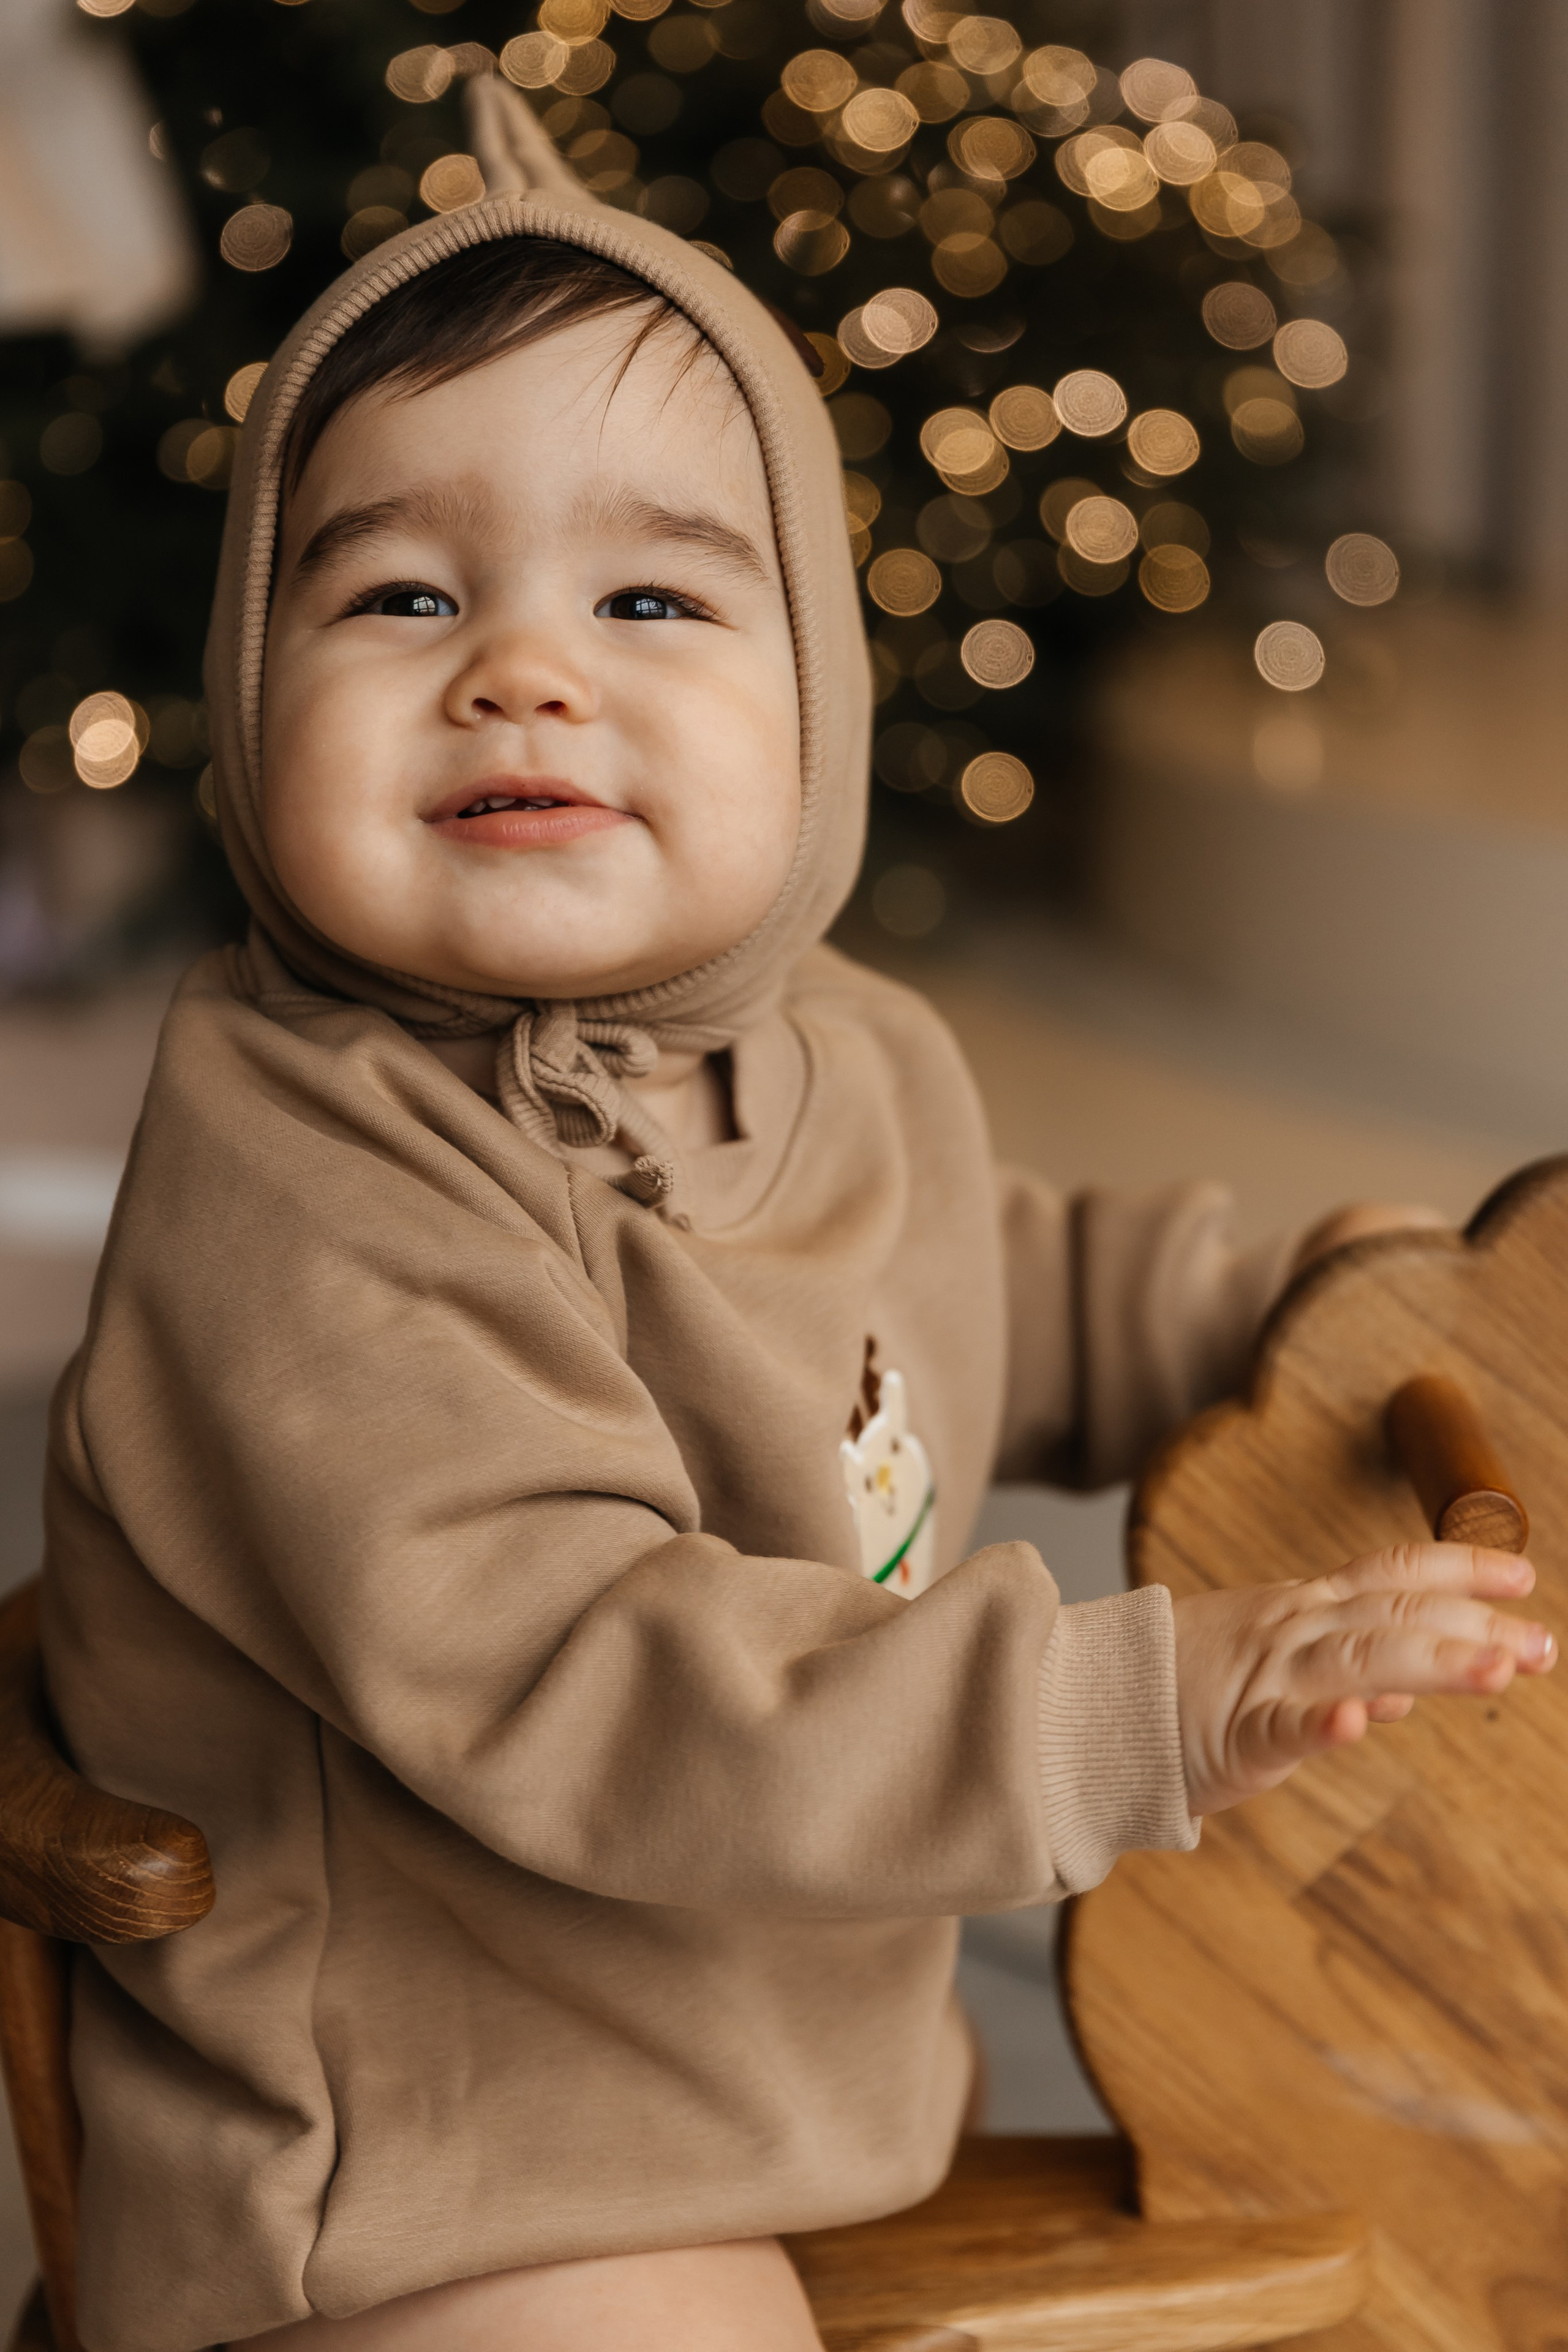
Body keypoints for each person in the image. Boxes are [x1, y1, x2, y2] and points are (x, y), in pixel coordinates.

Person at [41, 87, 1554, 2352]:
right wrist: (1137, 1706)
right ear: (256, 705)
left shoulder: (834, 1052)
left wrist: (1283, 1305)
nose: (521, 666)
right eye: (400, 592)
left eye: (649, 592)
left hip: (759, 2056)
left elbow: (980, 1283)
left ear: (819, 703)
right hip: (446, 2140)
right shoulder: (302, 1190)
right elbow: (604, 1671)